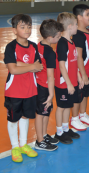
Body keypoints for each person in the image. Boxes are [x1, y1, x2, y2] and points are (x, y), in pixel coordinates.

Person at [3, 14, 43, 163]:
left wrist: (20, 64)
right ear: (14, 30)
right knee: (13, 119)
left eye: (28, 26)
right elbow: (12, 69)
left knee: (25, 116)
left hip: (30, 89)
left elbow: (38, 66)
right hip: (14, 90)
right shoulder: (11, 47)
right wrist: (30, 66)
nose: (26, 29)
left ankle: (23, 144)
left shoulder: (33, 46)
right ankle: (15, 146)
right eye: (22, 27)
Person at [54, 12, 83, 144]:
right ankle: (59, 131)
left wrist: (79, 77)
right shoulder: (62, 43)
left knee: (68, 106)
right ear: (70, 26)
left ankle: (65, 129)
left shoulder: (71, 41)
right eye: (76, 24)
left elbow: (73, 62)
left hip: (72, 81)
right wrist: (69, 83)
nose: (77, 26)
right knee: (61, 107)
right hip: (63, 83)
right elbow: (61, 65)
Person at [34, 19, 63, 151]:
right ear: (51, 38)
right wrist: (51, 94)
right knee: (41, 113)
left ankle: (44, 135)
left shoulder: (38, 45)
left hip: (39, 84)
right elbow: (50, 76)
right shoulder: (50, 53)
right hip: (44, 86)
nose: (60, 37)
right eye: (58, 36)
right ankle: (39, 141)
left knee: (45, 112)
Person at [71, 4, 89, 130]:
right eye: (87, 14)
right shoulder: (78, 35)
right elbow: (78, 57)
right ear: (79, 17)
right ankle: (74, 118)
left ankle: (82, 114)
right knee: (78, 96)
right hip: (81, 73)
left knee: (85, 95)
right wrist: (83, 74)